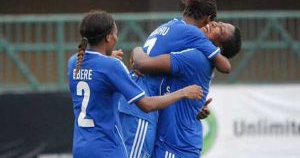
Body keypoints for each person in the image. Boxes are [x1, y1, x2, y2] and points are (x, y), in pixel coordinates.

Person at [67, 11, 204, 158]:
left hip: (81, 148)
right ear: (108, 37)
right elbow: (146, 105)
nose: (116, 38)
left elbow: (95, 70)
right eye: (115, 34)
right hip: (107, 149)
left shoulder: (74, 62)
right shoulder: (112, 66)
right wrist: (183, 93)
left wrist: (106, 57)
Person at [118, 0, 229, 157]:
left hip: (136, 98)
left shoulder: (170, 25)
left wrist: (136, 50)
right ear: (207, 19)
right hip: (141, 101)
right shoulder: (192, 34)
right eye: (214, 23)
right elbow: (225, 66)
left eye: (220, 28)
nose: (212, 26)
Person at [132, 21, 242, 158]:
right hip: (179, 145)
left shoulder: (196, 58)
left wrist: (137, 50)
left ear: (219, 48)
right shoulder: (202, 57)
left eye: (220, 30)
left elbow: (143, 64)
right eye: (219, 22)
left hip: (174, 147)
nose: (214, 24)